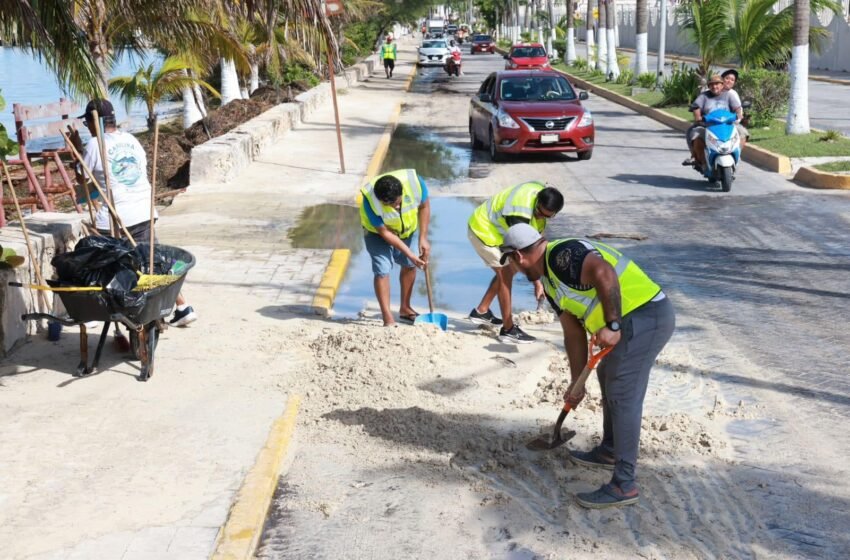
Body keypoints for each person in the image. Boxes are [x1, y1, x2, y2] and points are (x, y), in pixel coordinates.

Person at [499, 223, 675, 509]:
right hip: (635, 318)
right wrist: (576, 382)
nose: (517, 271)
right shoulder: (552, 281)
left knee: (622, 392)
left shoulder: (561, 255)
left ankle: (624, 484)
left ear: (518, 256)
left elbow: (604, 272)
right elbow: (572, 333)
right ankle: (610, 451)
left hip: (645, 315)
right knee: (608, 375)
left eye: (513, 264)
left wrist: (613, 325)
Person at [70, 99, 197, 328]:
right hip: (144, 210)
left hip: (119, 217)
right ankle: (182, 307)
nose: (87, 127)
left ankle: (91, 313)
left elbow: (82, 177)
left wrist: (75, 149)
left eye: (87, 122)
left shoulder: (94, 145)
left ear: (93, 122)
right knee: (153, 264)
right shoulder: (131, 140)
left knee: (94, 257)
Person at [467, 182, 563, 344]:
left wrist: (544, 280)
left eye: (547, 216)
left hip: (498, 231)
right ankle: (508, 329)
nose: (541, 217)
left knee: (509, 270)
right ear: (537, 202)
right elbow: (526, 253)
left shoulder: (543, 194)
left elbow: (537, 247)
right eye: (539, 213)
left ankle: (481, 311)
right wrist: (537, 283)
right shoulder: (519, 214)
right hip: (484, 230)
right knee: (505, 274)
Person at [359, 169, 431, 326]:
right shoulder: (369, 200)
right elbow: (384, 233)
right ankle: (387, 317)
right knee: (382, 269)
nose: (395, 207)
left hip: (406, 230)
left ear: (402, 192)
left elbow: (424, 206)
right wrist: (411, 254)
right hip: (376, 233)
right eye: (389, 205)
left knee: (410, 265)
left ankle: (405, 308)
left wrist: (423, 238)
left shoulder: (415, 183)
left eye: (397, 203)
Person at [683, 74, 743, 168]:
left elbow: (737, 107)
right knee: (695, 133)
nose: (714, 86)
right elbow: (696, 106)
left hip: (727, 125)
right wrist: (698, 116)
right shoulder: (704, 96)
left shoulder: (729, 95)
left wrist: (738, 114)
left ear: (722, 85)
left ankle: (737, 154)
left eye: (717, 84)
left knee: (742, 132)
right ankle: (696, 157)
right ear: (709, 86)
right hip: (708, 126)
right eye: (712, 84)